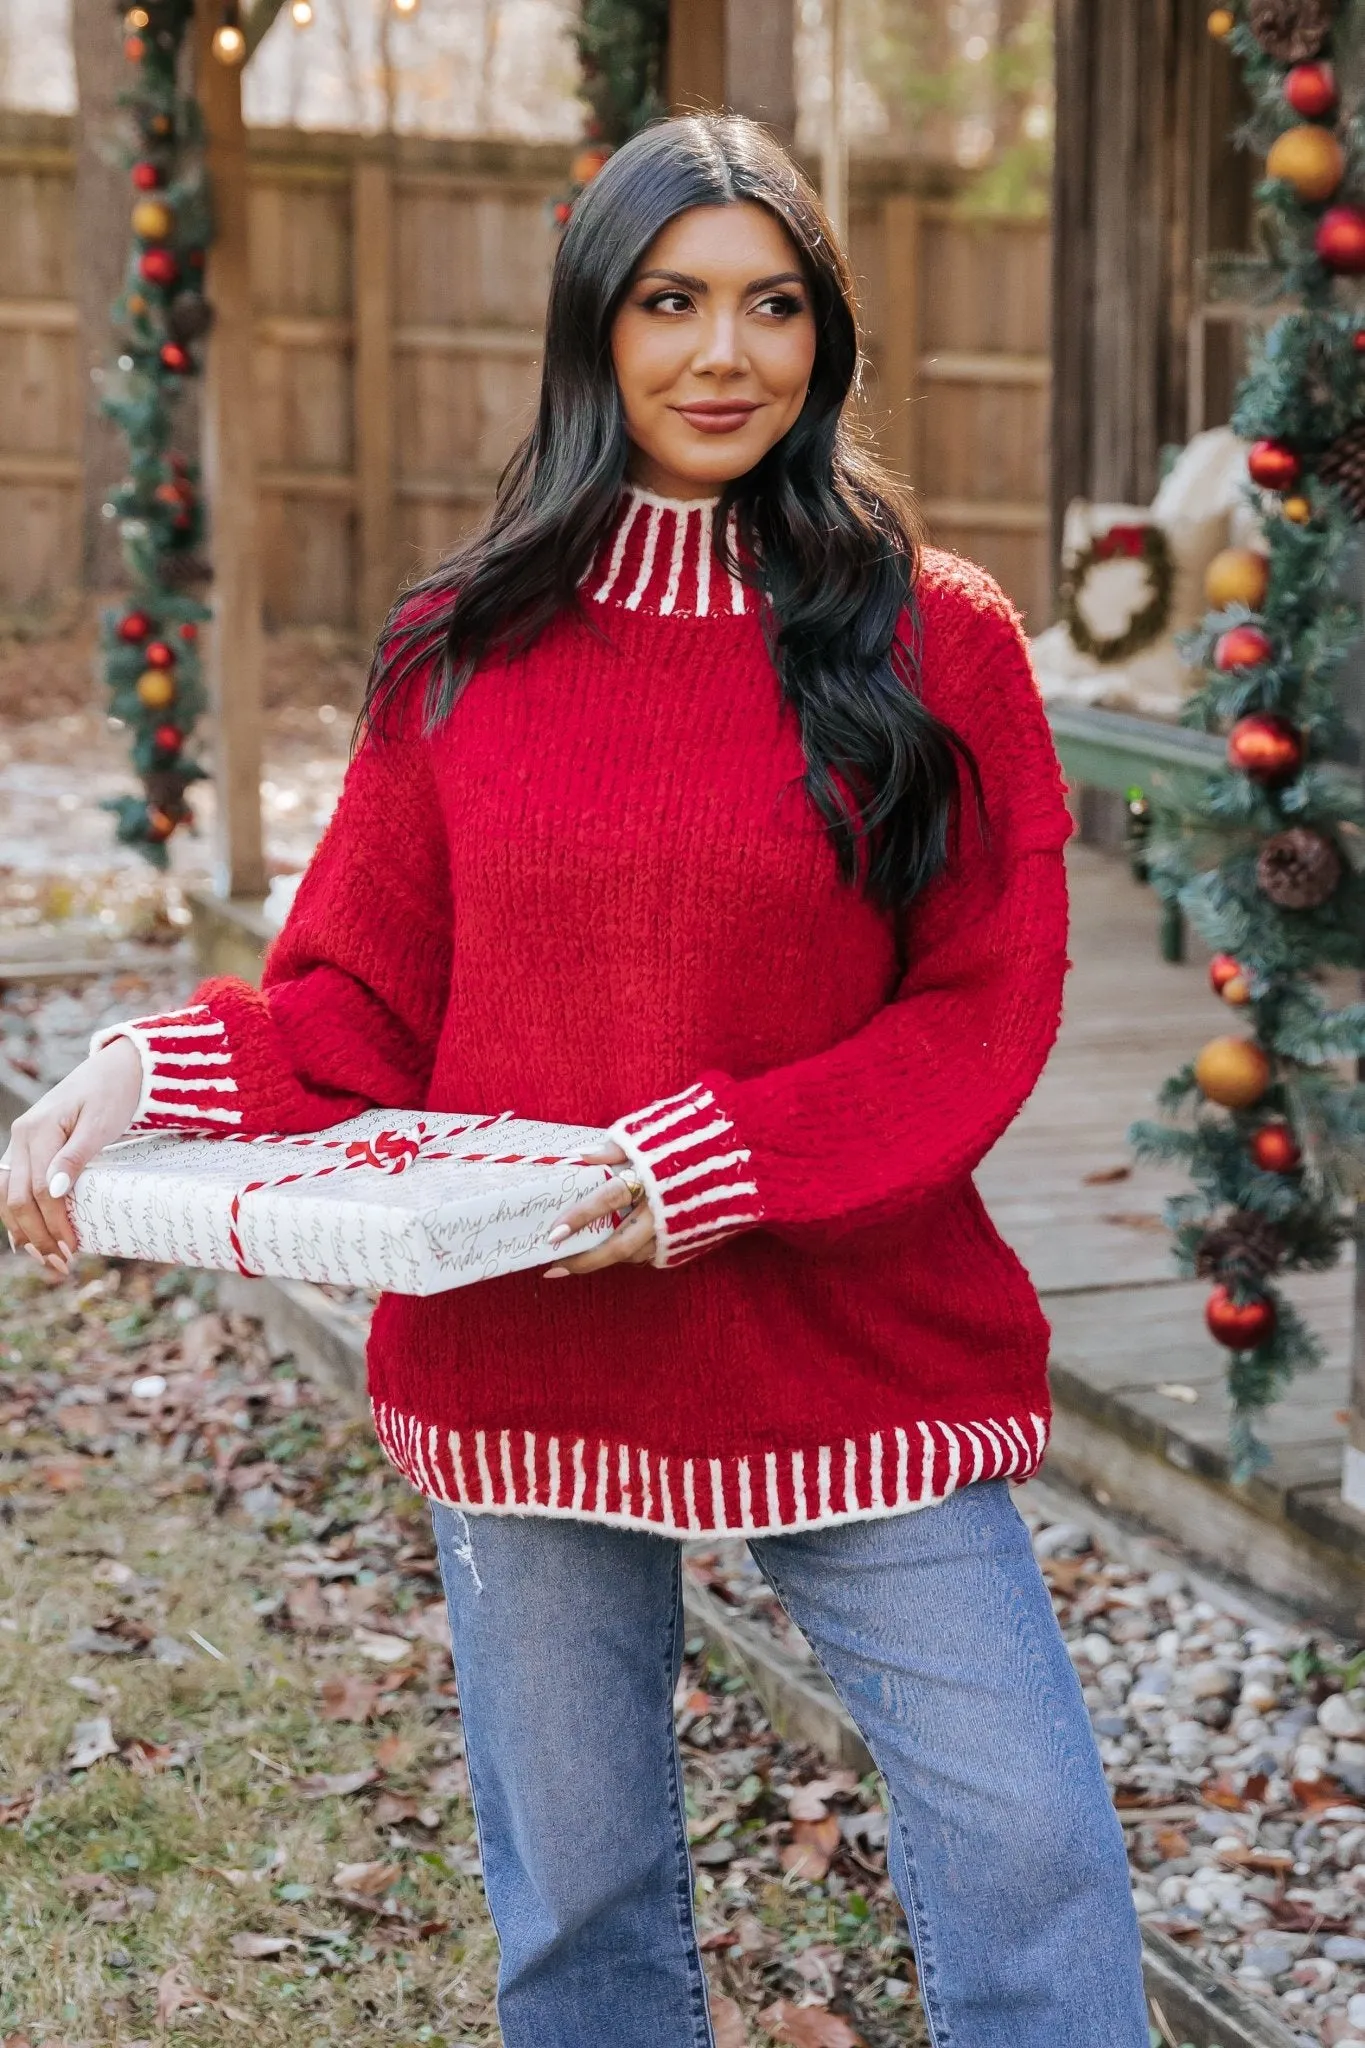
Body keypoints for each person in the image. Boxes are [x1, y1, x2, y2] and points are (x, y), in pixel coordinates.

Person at [1, 114, 1147, 2048]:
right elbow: (358, 1004)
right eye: (669, 302)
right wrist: (139, 1068)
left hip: (851, 1328)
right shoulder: (462, 645)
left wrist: (699, 1165)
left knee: (1031, 1840)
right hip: (521, 1346)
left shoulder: (937, 643)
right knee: (584, 1903)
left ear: (826, 337)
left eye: (773, 306)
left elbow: (981, 1009)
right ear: (590, 332)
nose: (725, 356)